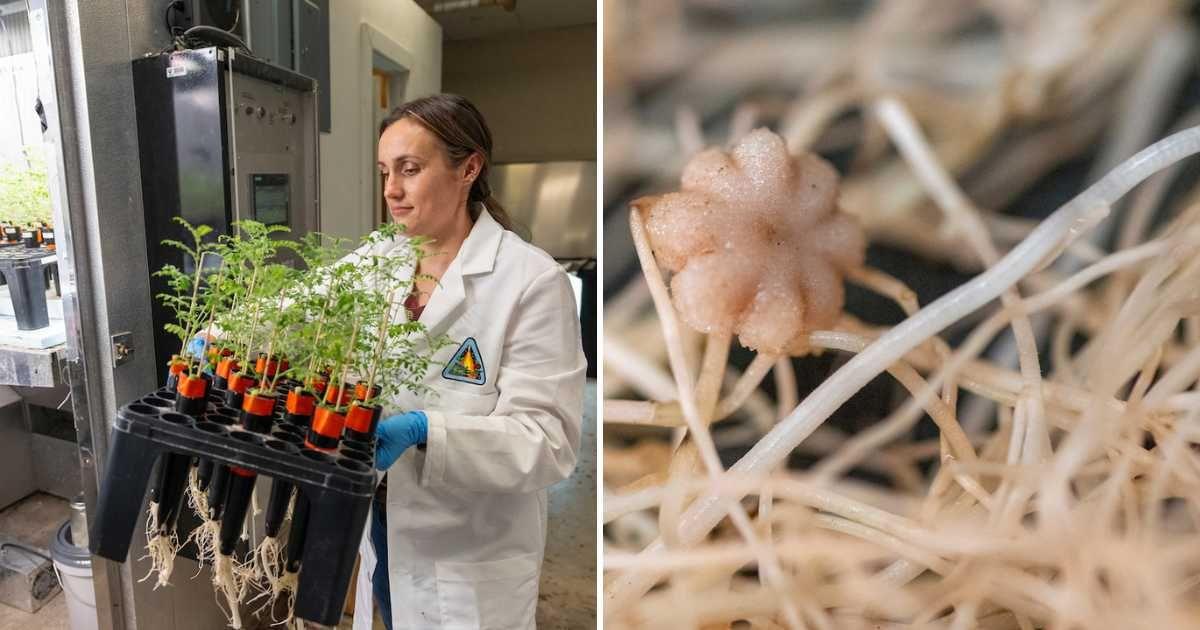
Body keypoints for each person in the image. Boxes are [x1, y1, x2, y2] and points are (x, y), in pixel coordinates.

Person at [351, 94, 585, 630]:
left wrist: (425, 430)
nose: (391, 189)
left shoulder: (531, 281)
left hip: (468, 558)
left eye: (410, 169)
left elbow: (548, 441)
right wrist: (220, 336)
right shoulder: (379, 258)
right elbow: (295, 306)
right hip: (381, 526)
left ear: (469, 168)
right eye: (385, 171)